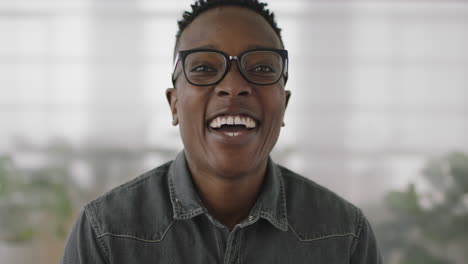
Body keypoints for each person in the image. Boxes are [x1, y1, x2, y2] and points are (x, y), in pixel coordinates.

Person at [61, 0, 382, 263]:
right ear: (174, 105)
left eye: (261, 68)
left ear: (283, 105)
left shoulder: (345, 235)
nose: (233, 86)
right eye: (203, 68)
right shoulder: (105, 232)